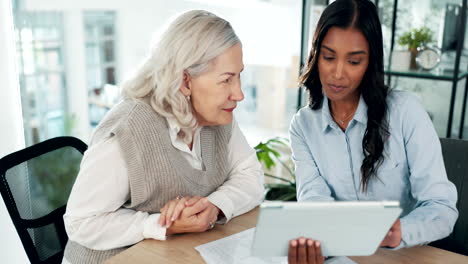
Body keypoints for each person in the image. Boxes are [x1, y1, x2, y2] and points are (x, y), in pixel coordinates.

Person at [62, 10, 264, 263]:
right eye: (226, 80)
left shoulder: (218, 115)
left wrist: (213, 207)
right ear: (185, 81)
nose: (239, 94)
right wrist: (163, 224)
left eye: (239, 76)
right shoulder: (127, 131)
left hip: (170, 254)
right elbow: (81, 223)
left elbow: (251, 177)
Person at [287, 0, 458, 263]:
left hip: (402, 255)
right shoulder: (303, 125)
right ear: (315, 55)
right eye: (328, 57)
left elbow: (442, 207)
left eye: (354, 61)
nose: (338, 73)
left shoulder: (405, 112)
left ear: (370, 63)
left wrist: (402, 231)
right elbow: (314, 199)